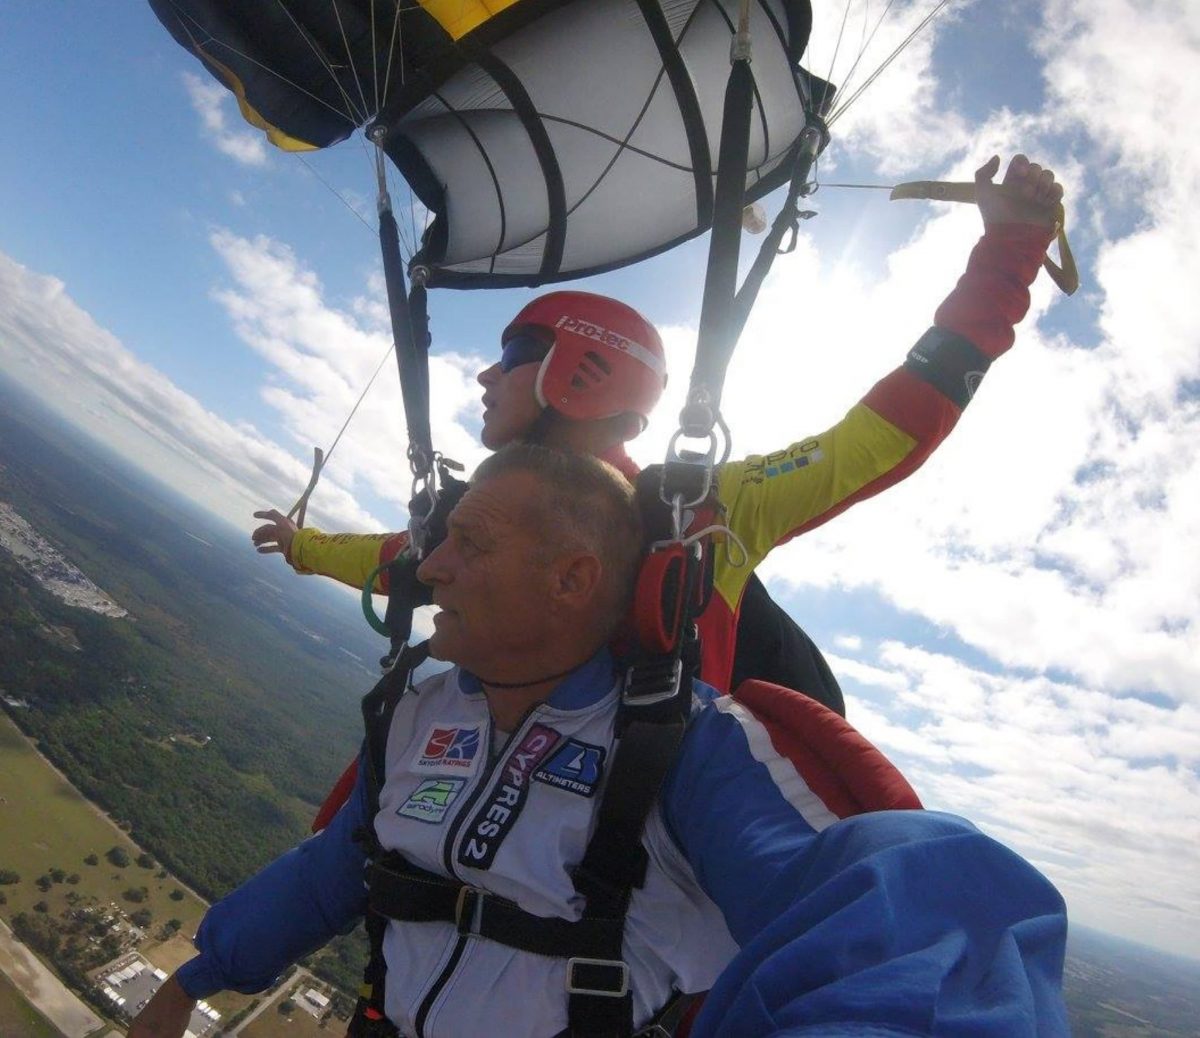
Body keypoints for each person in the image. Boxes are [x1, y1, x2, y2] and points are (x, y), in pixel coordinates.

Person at [131, 446, 1069, 1038]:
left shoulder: (688, 751)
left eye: (468, 542)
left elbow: (914, 927)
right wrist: (198, 977)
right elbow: (339, 869)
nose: (432, 567)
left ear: (573, 580)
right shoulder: (421, 710)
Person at [253, 153, 1063, 720]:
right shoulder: (470, 523)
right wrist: (302, 546)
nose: (485, 377)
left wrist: (1011, 251)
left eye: (513, 355)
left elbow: (886, 430)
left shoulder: (705, 510)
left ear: (581, 371)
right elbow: (398, 562)